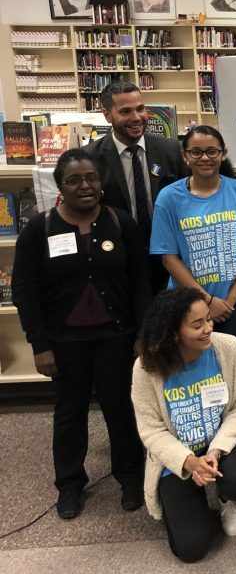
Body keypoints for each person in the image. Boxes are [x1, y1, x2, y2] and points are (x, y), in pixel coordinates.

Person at [12, 149, 149, 520]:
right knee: (69, 414)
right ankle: (70, 484)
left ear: (101, 183)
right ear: (60, 186)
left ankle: (130, 477)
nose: (85, 185)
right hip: (64, 341)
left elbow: (140, 281)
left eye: (91, 177)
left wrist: (141, 334)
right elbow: (26, 292)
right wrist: (40, 345)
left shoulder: (121, 224)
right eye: (74, 180)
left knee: (121, 409)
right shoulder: (38, 230)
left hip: (117, 338)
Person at [132, 289, 236, 562]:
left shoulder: (229, 348)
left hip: (220, 442)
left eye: (208, 320)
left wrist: (214, 453)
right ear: (173, 332)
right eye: (197, 324)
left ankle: (231, 502)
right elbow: (151, 431)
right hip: (177, 455)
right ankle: (193, 497)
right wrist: (189, 462)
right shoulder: (146, 368)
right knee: (191, 549)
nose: (208, 329)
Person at [150, 125, 236, 342]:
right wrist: (208, 301)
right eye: (196, 152)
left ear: (223, 154)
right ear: (185, 156)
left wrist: (230, 299)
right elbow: (169, 259)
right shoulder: (168, 198)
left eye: (212, 151)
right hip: (187, 301)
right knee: (192, 366)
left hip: (235, 300)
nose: (205, 158)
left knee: (230, 361)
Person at [85, 81, 189, 294]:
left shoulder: (171, 150)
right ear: (107, 115)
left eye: (140, 109)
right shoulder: (90, 158)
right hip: (118, 261)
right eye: (125, 111)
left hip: (169, 259)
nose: (136, 117)